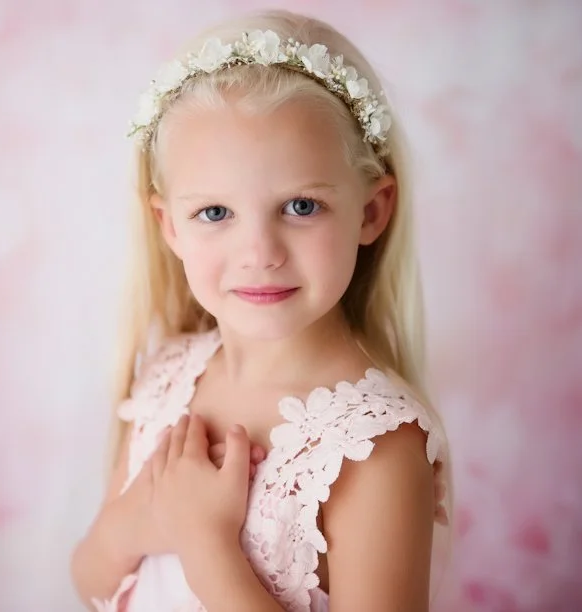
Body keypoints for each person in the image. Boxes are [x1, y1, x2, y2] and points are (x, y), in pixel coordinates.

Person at [71, 8, 452, 611]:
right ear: (169, 227)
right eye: (215, 213)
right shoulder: (168, 377)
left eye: (301, 206)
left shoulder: (374, 451)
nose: (259, 254)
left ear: (371, 212)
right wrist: (144, 519)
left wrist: (205, 546)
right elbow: (91, 577)